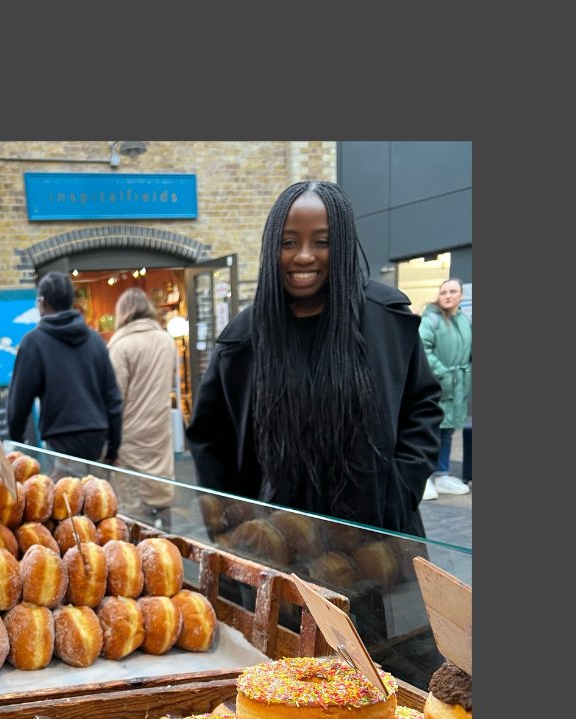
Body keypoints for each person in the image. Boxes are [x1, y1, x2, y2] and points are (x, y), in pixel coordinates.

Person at [186, 179, 442, 538]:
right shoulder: (242, 339)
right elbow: (211, 440)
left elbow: (422, 408)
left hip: (376, 543)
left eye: (322, 241)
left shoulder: (385, 320)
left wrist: (399, 492)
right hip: (277, 546)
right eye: (288, 242)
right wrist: (236, 524)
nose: (303, 255)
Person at [7, 271, 123, 465]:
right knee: (98, 495)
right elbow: (113, 399)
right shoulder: (95, 340)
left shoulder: (34, 342)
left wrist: (17, 443)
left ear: (42, 302)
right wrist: (113, 449)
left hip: (61, 442)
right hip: (98, 440)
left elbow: (19, 402)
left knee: (66, 495)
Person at [106, 287, 180, 527]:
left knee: (133, 508)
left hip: (130, 436)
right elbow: (169, 382)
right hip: (159, 430)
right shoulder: (166, 341)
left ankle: (140, 555)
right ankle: (169, 550)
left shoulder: (121, 345)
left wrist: (110, 447)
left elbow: (115, 398)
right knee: (162, 494)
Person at [419, 278, 472, 498]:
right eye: (444, 292)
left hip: (458, 386)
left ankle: (442, 474)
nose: (448, 296)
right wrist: (442, 372)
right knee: (430, 430)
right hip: (437, 383)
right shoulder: (430, 319)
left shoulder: (464, 320)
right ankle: (425, 477)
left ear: (461, 295)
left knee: (448, 431)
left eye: (453, 291)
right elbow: (423, 348)